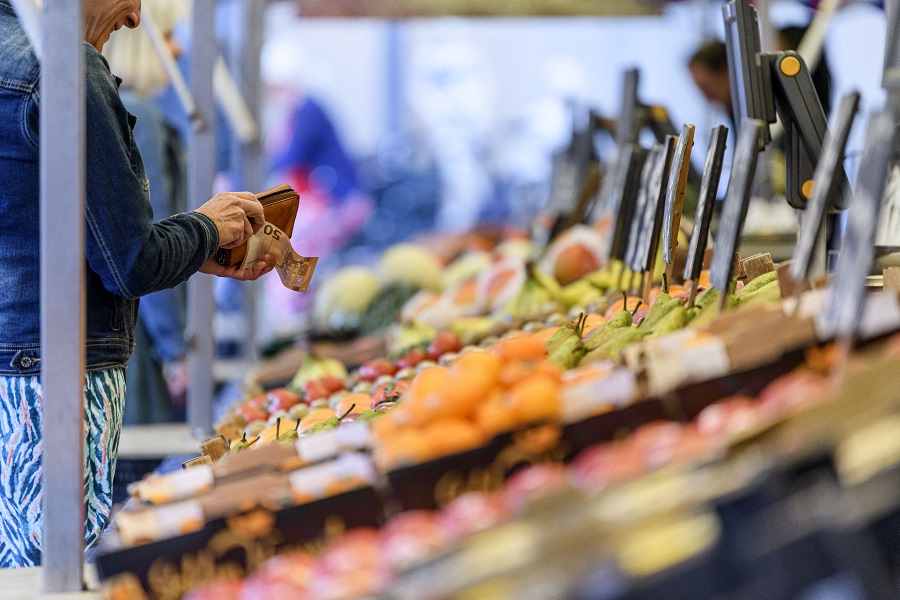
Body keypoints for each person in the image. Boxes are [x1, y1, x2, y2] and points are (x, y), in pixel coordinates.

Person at [0, 0, 275, 567]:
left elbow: (52, 229)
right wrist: (209, 224)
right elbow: (130, 260)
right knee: (56, 569)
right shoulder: (64, 66)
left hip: (16, 366)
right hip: (55, 378)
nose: (134, 18)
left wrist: (193, 249)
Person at [103, 0, 190, 424]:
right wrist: (178, 348)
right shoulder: (143, 117)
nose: (177, 50)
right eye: (169, 36)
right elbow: (151, 236)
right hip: (136, 345)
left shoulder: (112, 106)